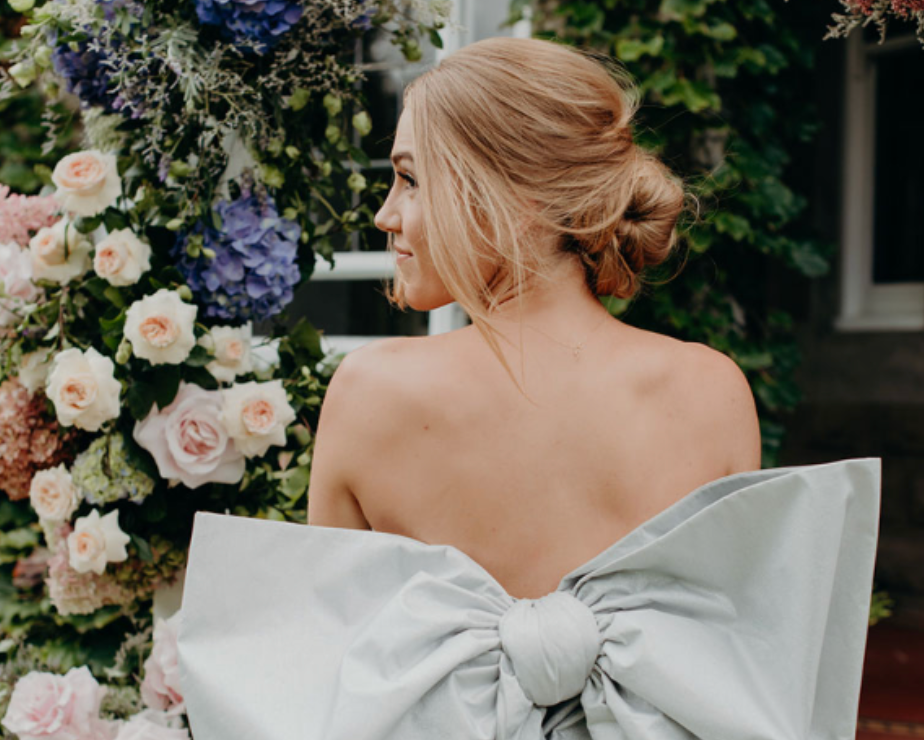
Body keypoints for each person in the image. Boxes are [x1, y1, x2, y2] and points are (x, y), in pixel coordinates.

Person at [178, 37, 881, 740]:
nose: (386, 215)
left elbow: (325, 680)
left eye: (411, 180)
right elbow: (736, 667)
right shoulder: (711, 389)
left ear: (515, 200)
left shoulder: (369, 392)